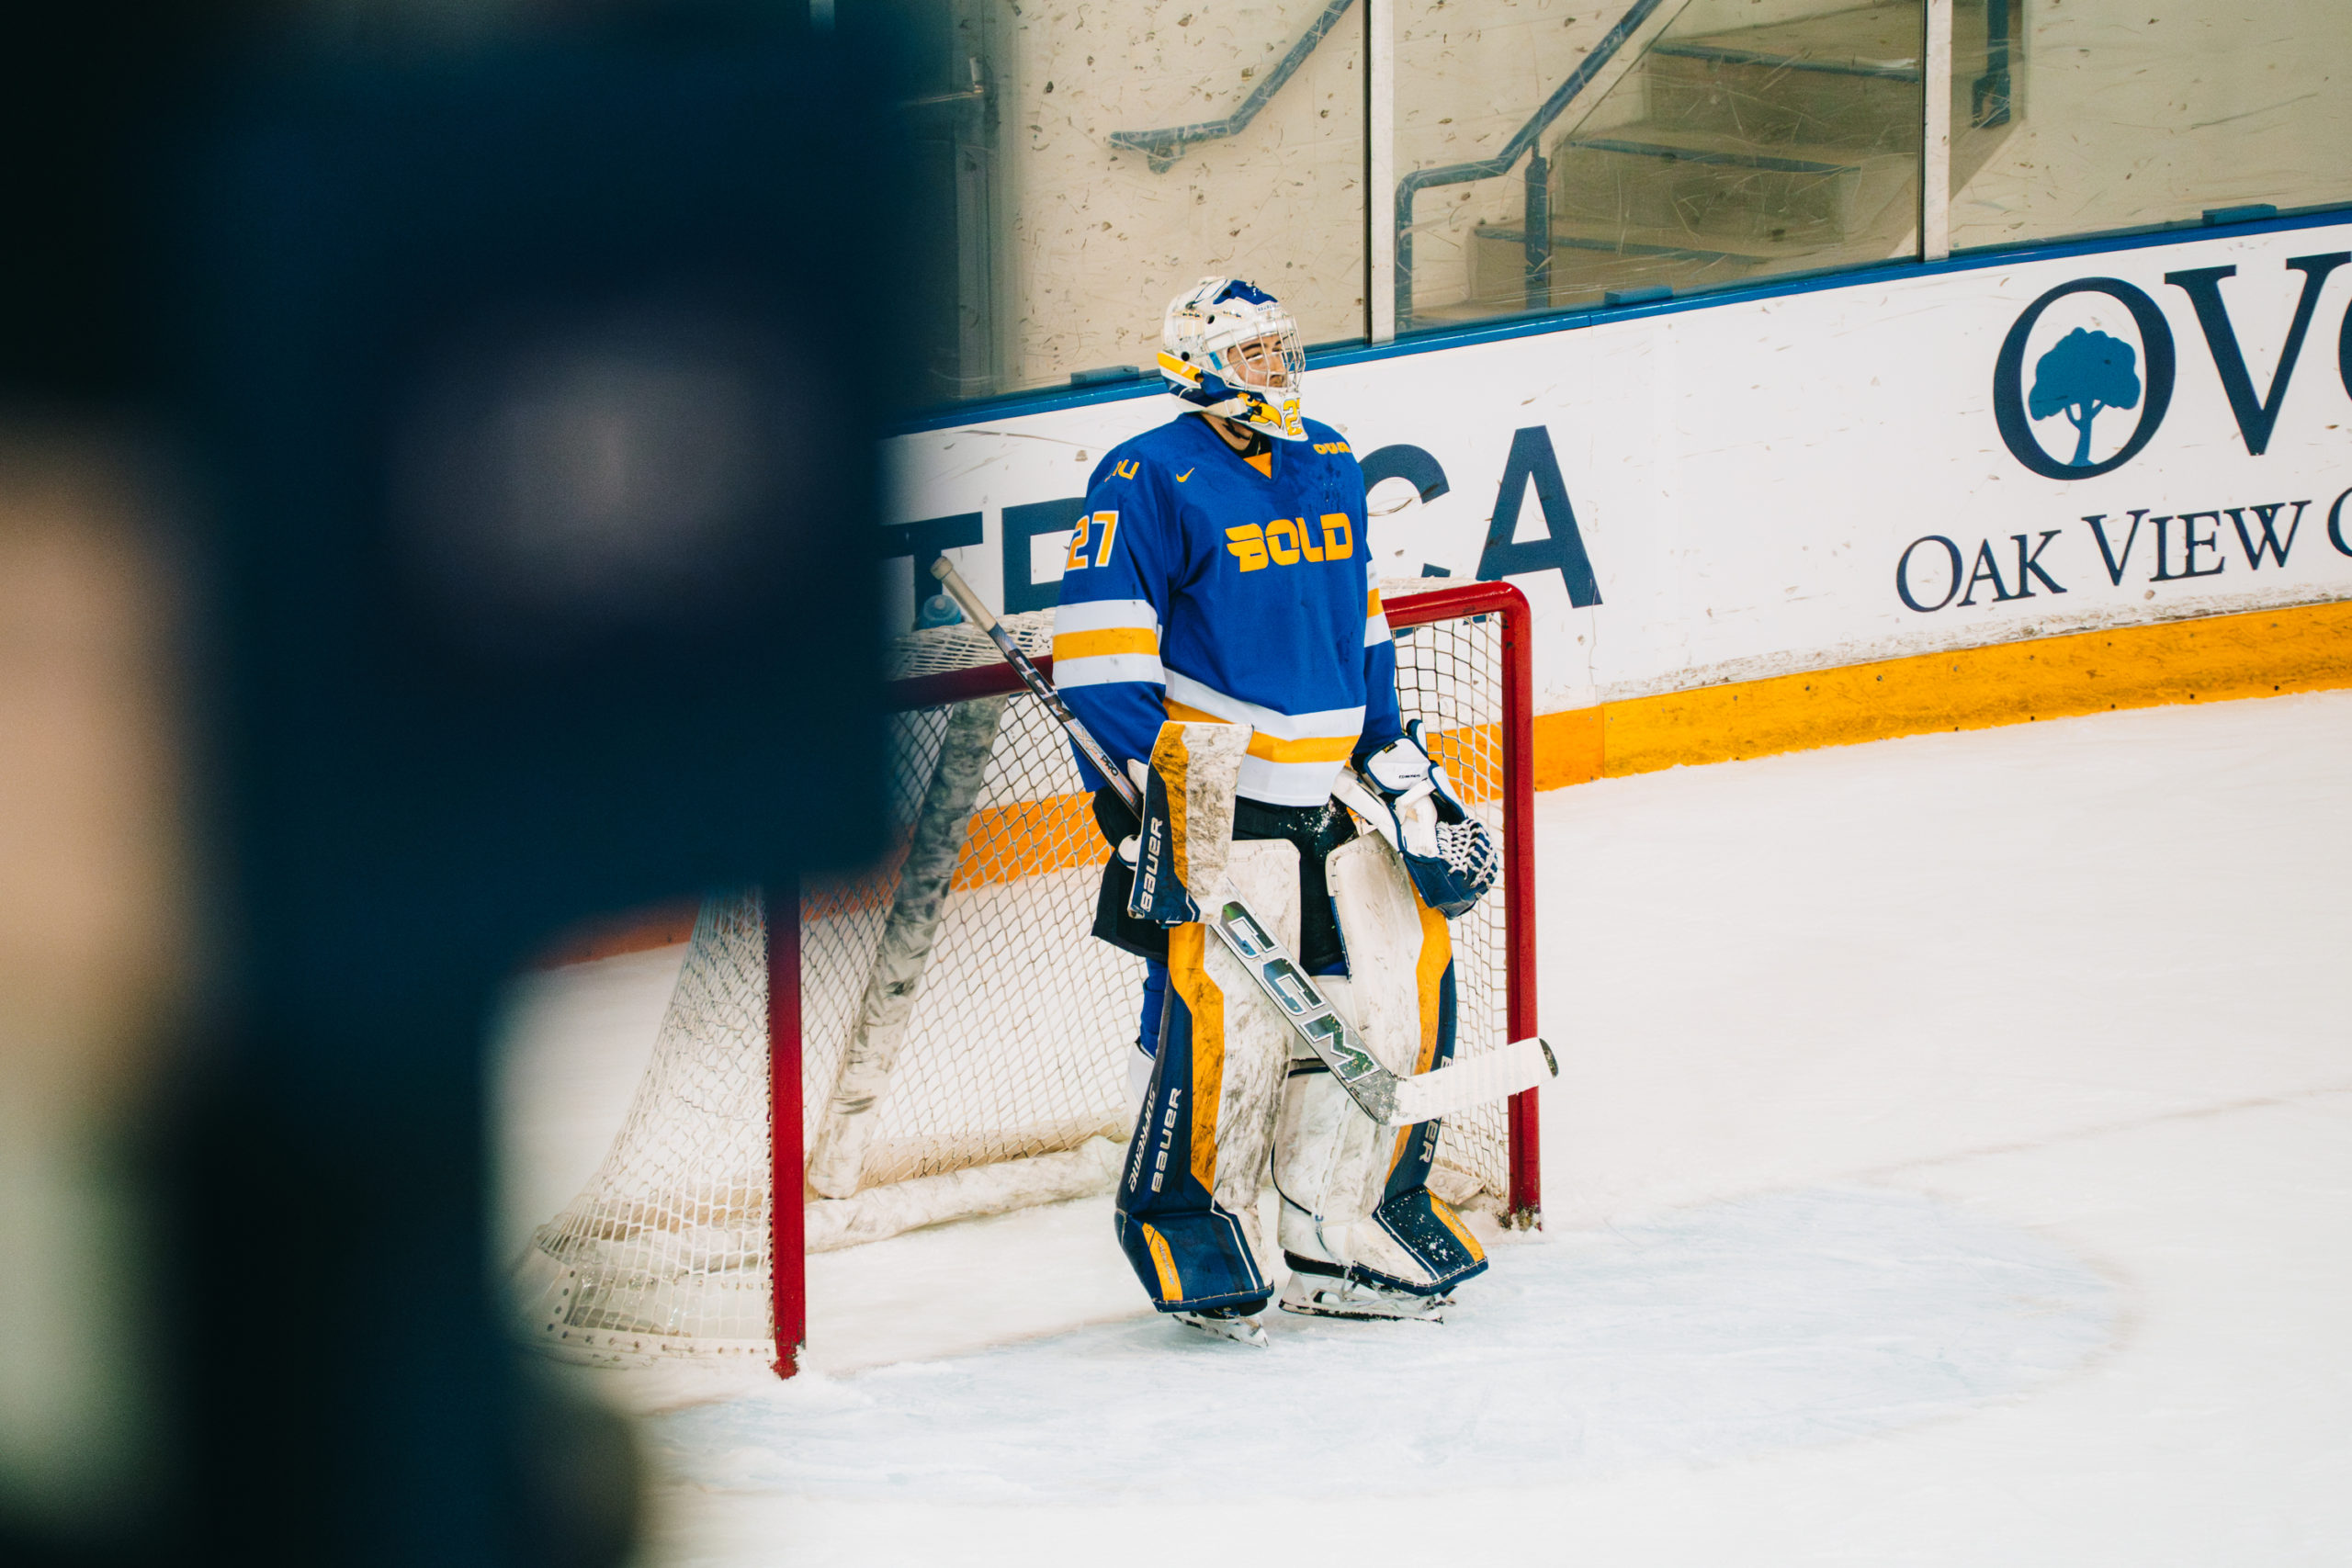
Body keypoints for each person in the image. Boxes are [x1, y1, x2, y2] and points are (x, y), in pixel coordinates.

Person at [1052, 276, 1498, 1343]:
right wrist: (1152, 794)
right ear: (1198, 364)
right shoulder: (1146, 474)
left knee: (1391, 1002)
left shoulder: (1329, 456)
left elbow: (1365, 622)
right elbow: (1103, 653)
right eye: (1253, 353)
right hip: (1224, 800)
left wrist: (1398, 763)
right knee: (1229, 1028)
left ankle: (1335, 1222)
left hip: (1330, 798)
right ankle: (1191, 1225)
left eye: (1279, 350)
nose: (1275, 370)